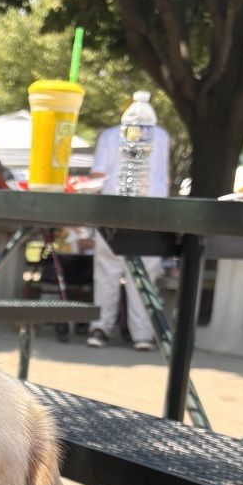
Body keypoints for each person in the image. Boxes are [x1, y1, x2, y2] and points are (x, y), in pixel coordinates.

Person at [85, 103, 172, 352]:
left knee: (108, 271)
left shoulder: (111, 135)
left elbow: (97, 175)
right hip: (151, 211)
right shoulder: (162, 136)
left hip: (115, 209)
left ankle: (101, 326)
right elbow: (164, 178)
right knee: (144, 273)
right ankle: (142, 332)